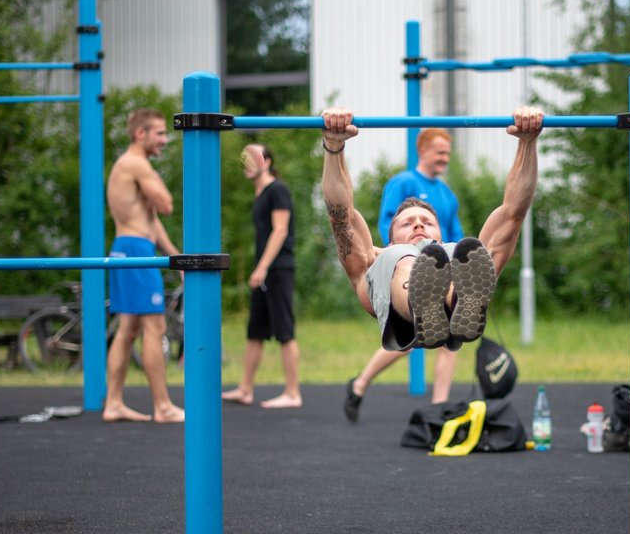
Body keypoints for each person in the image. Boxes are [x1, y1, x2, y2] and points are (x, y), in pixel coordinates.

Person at [319, 106, 543, 354]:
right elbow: (340, 215)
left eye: (427, 222)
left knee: (462, 252)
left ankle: (457, 301)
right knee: (406, 258)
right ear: (390, 238)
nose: (418, 224)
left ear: (440, 230)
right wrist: (333, 144)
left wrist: (527, 142)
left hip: (450, 301)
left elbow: (513, 212)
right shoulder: (375, 257)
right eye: (407, 223)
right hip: (400, 308)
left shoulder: (457, 254)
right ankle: (424, 306)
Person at [345, 128, 462, 422]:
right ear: (423, 151)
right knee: (409, 334)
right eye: (440, 152)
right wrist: (397, 256)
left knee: (454, 333)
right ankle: (360, 383)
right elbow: (390, 223)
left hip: (439, 265)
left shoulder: (446, 195)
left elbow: (457, 236)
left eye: (447, 153)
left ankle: (439, 409)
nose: (444, 158)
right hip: (405, 260)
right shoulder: (404, 182)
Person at [103, 108, 184, 423]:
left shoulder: (127, 166)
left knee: (128, 329)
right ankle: (163, 406)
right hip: (136, 250)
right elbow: (165, 205)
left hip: (127, 247)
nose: (165, 140)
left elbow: (149, 221)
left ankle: (113, 402)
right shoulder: (137, 164)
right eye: (160, 133)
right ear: (141, 134)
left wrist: (175, 256)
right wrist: (156, 186)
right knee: (155, 327)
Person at [221, 143, 302, 409]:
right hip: (265, 270)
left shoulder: (277, 190)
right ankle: (245, 389)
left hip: (277, 269)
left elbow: (280, 231)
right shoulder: (261, 194)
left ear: (266, 161)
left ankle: (292, 393)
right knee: (255, 330)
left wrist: (263, 266)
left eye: (252, 158)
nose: (246, 163)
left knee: (284, 331)